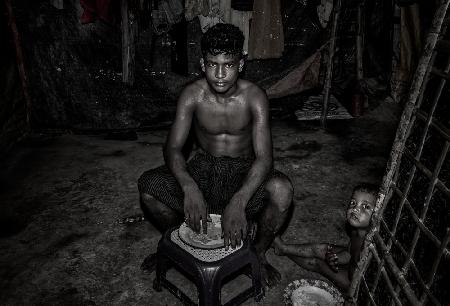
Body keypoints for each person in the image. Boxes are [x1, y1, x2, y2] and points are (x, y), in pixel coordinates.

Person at [137, 23, 293, 287]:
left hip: (243, 172)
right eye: (212, 64)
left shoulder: (254, 97)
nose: (220, 74)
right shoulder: (192, 95)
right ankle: (179, 243)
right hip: (203, 169)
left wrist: (240, 200)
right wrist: (189, 188)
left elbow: (265, 158)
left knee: (282, 190)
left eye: (228, 65)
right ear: (202, 63)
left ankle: (258, 253)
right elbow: (172, 148)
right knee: (149, 188)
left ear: (241, 64)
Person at [272, 183, 378, 295]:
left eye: (365, 207)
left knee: (317, 262)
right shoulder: (355, 231)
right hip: (352, 265)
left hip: (353, 284)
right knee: (321, 249)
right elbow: (349, 253)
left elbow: (365, 282)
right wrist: (335, 258)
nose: (355, 209)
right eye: (353, 203)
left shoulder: (371, 245)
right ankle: (283, 248)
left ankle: (284, 251)